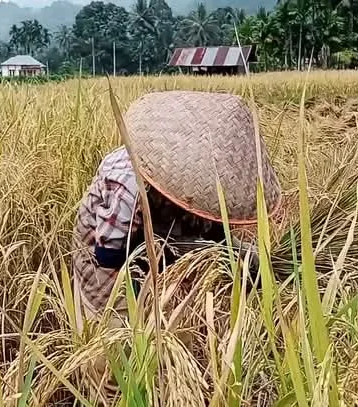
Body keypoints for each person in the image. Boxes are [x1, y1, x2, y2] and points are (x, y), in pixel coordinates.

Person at [71, 90, 287, 388]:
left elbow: (215, 234)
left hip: (158, 242)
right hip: (107, 263)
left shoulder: (207, 176)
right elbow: (109, 256)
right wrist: (167, 264)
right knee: (119, 345)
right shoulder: (127, 185)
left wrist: (246, 261)